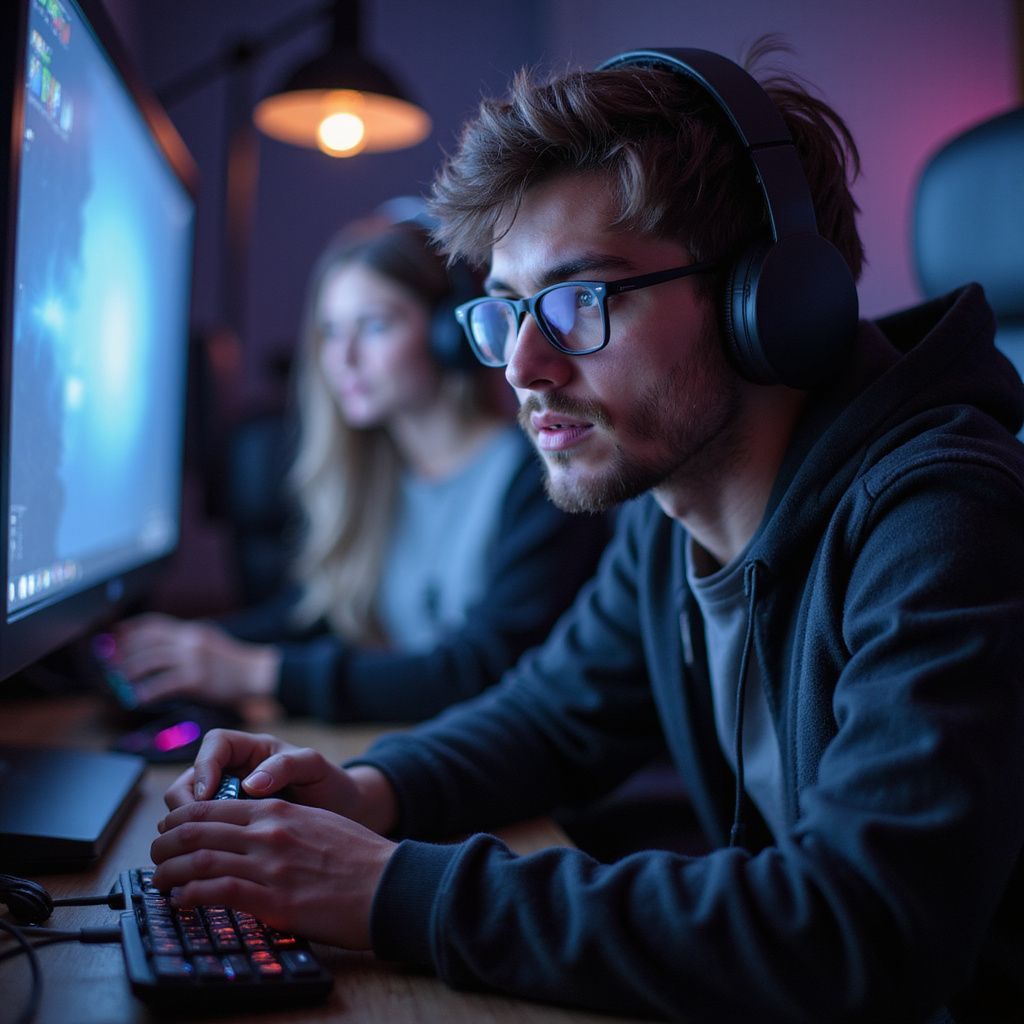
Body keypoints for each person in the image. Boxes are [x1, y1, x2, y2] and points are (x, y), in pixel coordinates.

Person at [148, 43, 1024, 1023]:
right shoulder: (669, 511)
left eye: (578, 300)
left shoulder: (945, 518)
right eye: (506, 311)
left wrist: (388, 887)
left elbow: (863, 925)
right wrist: (368, 791)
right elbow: (553, 717)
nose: (523, 366)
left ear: (768, 299)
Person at [110, 212, 609, 723]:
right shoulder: (377, 477)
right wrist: (186, 647)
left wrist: (256, 672)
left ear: (448, 333)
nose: (343, 357)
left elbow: (482, 669)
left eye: (374, 326)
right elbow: (316, 612)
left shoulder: (541, 477)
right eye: (330, 331)